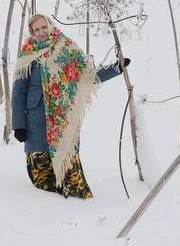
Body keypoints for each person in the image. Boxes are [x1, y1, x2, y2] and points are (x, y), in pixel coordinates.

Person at [10, 14, 129, 199]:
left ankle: (76, 210)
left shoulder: (67, 48)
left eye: (44, 27)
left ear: (50, 26)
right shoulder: (28, 54)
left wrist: (115, 69)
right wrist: (19, 125)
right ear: (32, 33)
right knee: (41, 183)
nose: (41, 32)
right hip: (35, 123)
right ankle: (47, 212)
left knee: (71, 182)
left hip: (62, 122)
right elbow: (18, 93)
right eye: (37, 30)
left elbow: (88, 76)